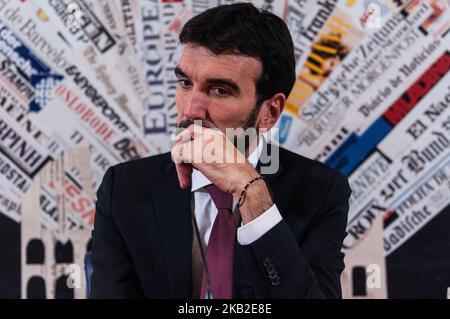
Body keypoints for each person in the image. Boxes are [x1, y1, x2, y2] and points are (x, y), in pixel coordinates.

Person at [90, 3, 351, 299]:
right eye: (185, 83)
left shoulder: (321, 191)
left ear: (270, 111)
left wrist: (252, 194)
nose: (191, 109)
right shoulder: (124, 189)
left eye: (219, 91)